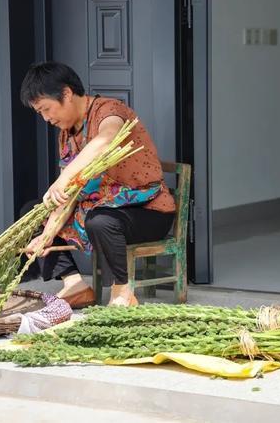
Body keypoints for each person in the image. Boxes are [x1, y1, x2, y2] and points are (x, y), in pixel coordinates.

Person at [21, 61, 175, 307]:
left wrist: (63, 177)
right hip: (98, 208)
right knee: (35, 211)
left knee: (100, 222)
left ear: (66, 94)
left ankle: (122, 291)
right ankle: (74, 285)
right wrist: (47, 234)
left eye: (46, 109)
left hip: (147, 210)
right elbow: (69, 195)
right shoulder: (68, 133)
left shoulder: (110, 110)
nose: (46, 118)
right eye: (40, 113)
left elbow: (107, 138)